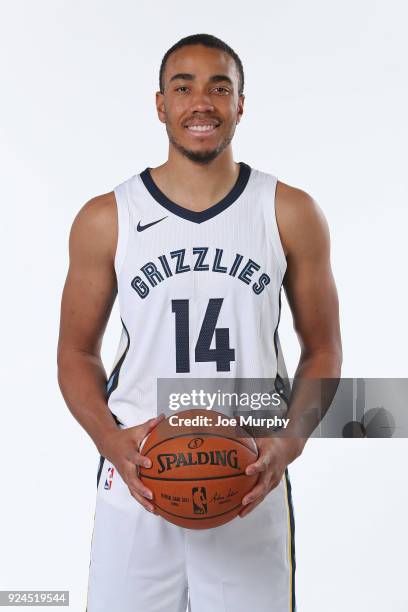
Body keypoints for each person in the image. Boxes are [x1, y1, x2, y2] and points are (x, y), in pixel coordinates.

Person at [57, 33, 342, 612]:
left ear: (241, 103)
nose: (201, 103)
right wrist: (111, 442)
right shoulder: (107, 217)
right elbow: (74, 353)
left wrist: (289, 443)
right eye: (183, 88)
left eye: (220, 87)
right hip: (136, 478)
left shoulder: (288, 211)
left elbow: (324, 350)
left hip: (248, 476)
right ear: (160, 104)